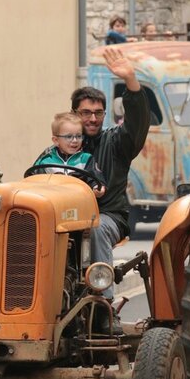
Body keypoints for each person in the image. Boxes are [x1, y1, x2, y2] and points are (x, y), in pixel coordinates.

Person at [72, 47, 151, 299]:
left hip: (108, 215)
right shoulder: (61, 147)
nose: (93, 118)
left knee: (96, 228)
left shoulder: (117, 143)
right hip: (68, 216)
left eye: (98, 113)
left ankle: (104, 305)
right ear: (74, 114)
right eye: (86, 113)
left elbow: (137, 125)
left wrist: (131, 82)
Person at [33, 112, 106, 198]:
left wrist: (97, 187)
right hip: (53, 203)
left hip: (79, 203)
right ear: (56, 140)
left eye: (78, 136)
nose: (75, 140)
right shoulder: (45, 161)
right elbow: (32, 180)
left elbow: (95, 178)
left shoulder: (86, 159)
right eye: (69, 136)